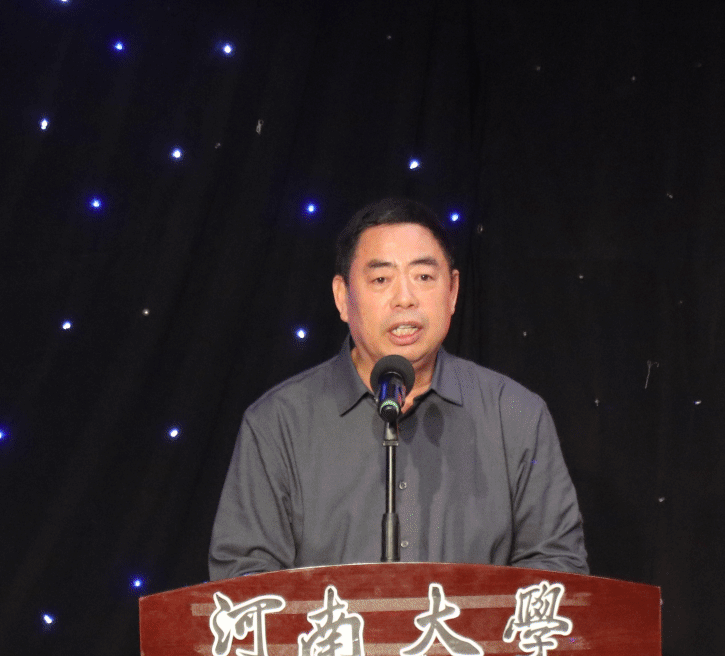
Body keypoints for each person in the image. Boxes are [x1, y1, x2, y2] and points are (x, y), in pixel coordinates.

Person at [209, 197, 587, 579]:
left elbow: (558, 567)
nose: (405, 298)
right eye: (381, 280)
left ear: (452, 292)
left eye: (423, 277)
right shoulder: (278, 424)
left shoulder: (516, 415)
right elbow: (243, 581)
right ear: (342, 298)